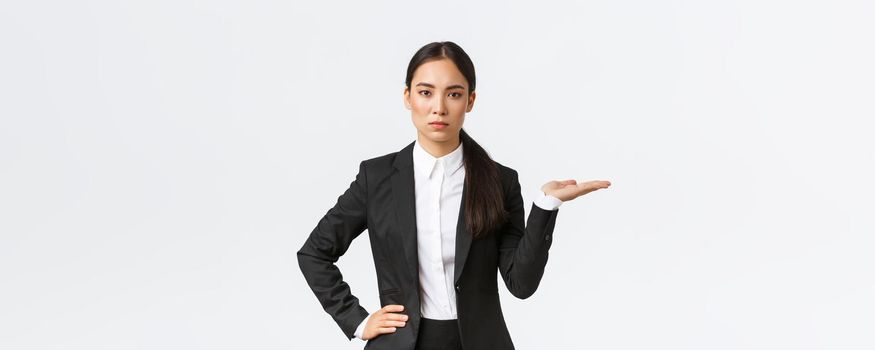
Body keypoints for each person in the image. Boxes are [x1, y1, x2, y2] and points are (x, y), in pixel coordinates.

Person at [297, 41, 611, 350]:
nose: (439, 107)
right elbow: (314, 253)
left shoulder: (499, 181)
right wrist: (357, 321)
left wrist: (546, 205)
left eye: (454, 94)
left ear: (470, 101)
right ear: (408, 97)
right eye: (425, 92)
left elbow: (521, 284)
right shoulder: (376, 178)